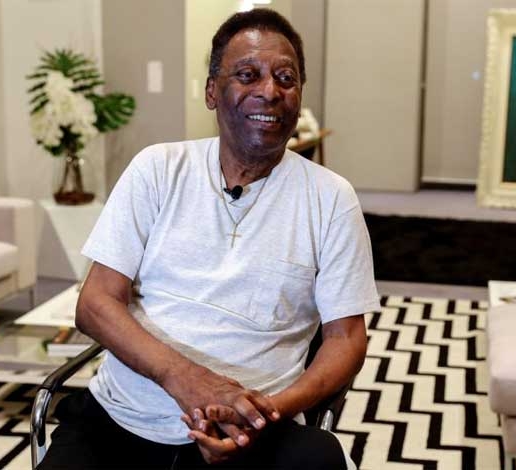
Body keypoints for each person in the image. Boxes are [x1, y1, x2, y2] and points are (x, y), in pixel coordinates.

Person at [38, 8, 379, 470]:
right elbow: (96, 303)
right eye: (247, 75)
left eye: (286, 78)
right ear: (211, 91)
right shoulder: (158, 170)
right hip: (124, 418)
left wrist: (261, 415)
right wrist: (188, 381)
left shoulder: (331, 198)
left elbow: (346, 339)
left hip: (261, 427)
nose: (269, 91)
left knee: (321, 460)